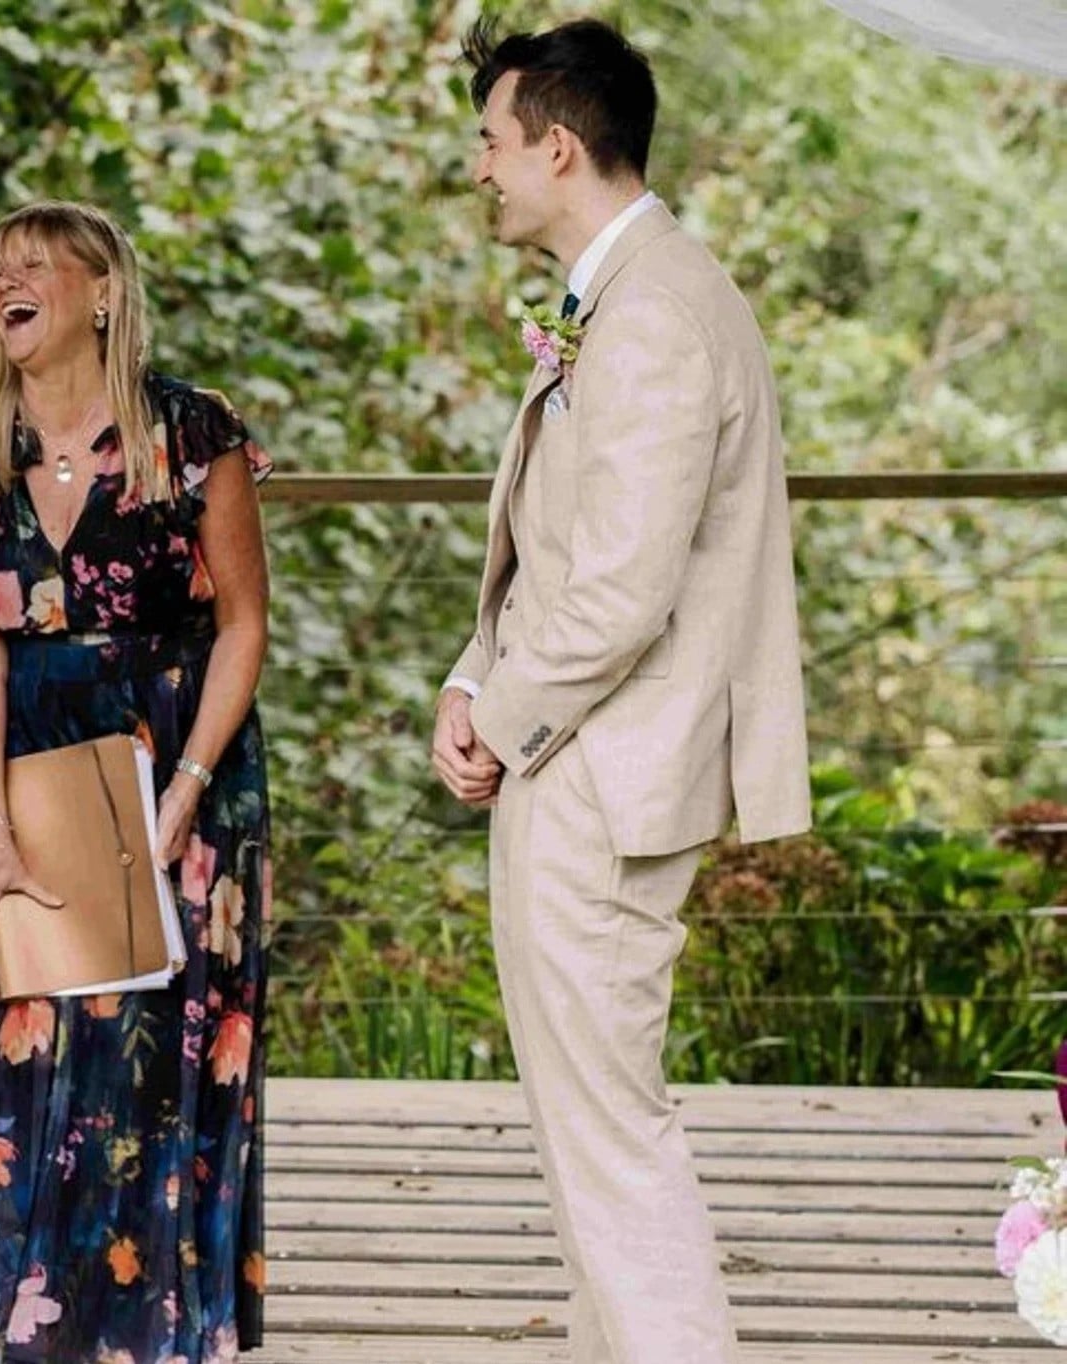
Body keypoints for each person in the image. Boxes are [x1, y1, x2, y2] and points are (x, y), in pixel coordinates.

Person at [430, 20, 812, 1364]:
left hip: (603, 771)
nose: (479, 168)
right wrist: (473, 672)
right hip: (582, 755)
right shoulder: (626, 292)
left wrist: (503, 716)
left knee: (611, 1136)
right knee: (589, 1129)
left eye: (490, 140)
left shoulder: (655, 311)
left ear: (556, 143)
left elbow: (621, 593)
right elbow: (566, 546)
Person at [0, 200, 273, 1364]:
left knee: (154, 1055)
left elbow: (246, 622)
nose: (5, 280)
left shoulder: (189, 432)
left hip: (180, 767)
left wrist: (190, 785)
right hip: (28, 773)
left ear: (101, 291)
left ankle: (145, 1333)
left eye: (34, 264)